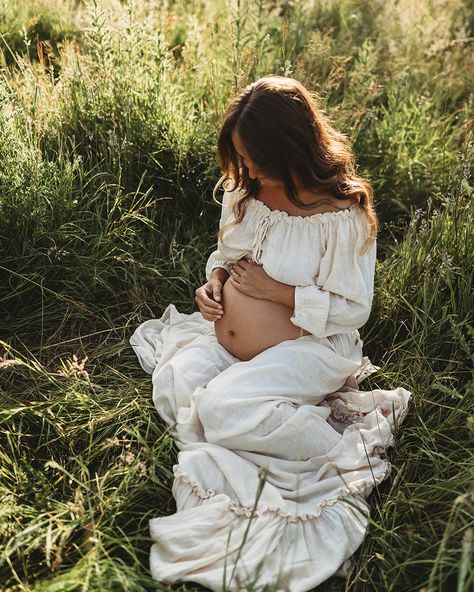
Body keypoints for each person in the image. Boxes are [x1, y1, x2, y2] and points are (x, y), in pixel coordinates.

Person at [130, 75, 411, 592]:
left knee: (215, 409)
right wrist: (212, 284)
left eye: (255, 155)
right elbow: (226, 255)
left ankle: (331, 439)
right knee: (179, 383)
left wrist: (277, 291)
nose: (247, 168)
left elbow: (354, 310)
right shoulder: (245, 190)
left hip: (313, 346)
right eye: (241, 155)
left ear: (289, 147)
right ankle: (267, 417)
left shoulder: (341, 214)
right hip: (227, 340)